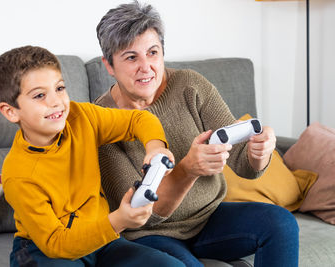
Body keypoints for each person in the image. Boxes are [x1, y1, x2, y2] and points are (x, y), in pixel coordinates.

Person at [94, 1, 299, 267]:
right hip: (148, 235)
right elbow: (143, 214)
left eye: (153, 52)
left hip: (209, 218)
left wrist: (259, 152)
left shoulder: (190, 86)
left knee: (281, 223)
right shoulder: (101, 120)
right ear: (109, 65)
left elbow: (245, 165)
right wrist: (188, 169)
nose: (146, 67)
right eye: (131, 57)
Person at [0, 45, 185, 267]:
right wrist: (118, 220)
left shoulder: (80, 116)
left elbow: (138, 120)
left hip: (100, 238)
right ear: (10, 111)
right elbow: (56, 244)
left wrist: (155, 147)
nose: (56, 102)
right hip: (46, 251)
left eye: (60, 88)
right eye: (40, 95)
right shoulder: (18, 174)